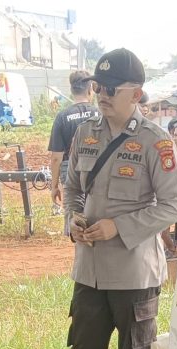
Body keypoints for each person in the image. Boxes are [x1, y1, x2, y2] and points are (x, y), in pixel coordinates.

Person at [64, 48, 177, 349]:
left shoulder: (155, 141)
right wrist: (73, 218)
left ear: (135, 93)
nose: (102, 95)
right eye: (99, 87)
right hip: (89, 268)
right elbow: (71, 188)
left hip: (134, 271)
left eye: (111, 89)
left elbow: (172, 206)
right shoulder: (85, 133)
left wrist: (119, 227)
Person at [48, 69, 99, 237]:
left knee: (75, 216)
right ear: (91, 89)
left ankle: (78, 244)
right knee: (97, 211)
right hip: (97, 170)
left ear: (72, 90)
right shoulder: (100, 115)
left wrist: (54, 186)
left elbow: (56, 157)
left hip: (70, 171)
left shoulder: (62, 117)